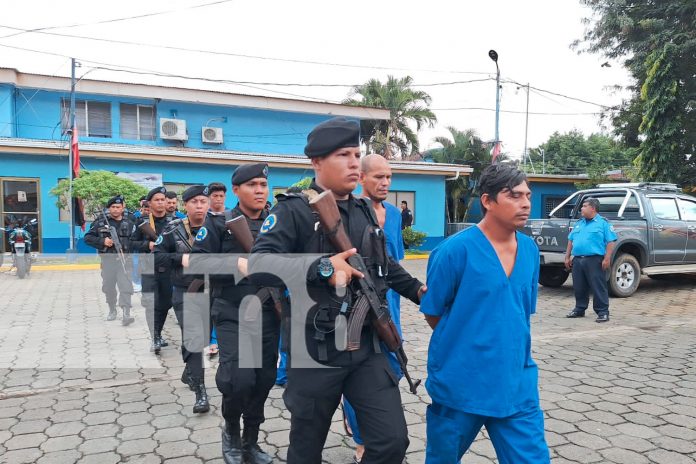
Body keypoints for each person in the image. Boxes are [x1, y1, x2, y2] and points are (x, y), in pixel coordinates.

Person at [250, 117, 426, 464]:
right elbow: (258, 265)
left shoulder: (363, 211)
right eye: (343, 154)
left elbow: (384, 266)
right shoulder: (294, 210)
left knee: (392, 441)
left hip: (366, 347)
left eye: (356, 154)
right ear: (317, 162)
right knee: (306, 448)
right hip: (314, 351)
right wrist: (323, 268)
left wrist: (421, 291)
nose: (353, 163)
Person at [420, 164, 550, 464]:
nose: (526, 203)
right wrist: (466, 340)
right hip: (461, 383)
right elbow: (433, 313)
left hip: (515, 383)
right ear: (488, 201)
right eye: (514, 195)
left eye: (527, 195)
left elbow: (519, 314)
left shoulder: (530, 251)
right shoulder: (454, 251)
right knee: (442, 458)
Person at [191, 163, 279, 464]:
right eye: (252, 185)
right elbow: (196, 264)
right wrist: (236, 265)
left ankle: (251, 441)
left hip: (269, 312)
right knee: (239, 380)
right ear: (237, 190)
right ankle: (231, 431)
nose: (259, 190)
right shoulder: (219, 223)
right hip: (232, 313)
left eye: (263, 185)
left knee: (264, 379)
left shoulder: (276, 222)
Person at [342, 153, 406, 463]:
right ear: (362, 179)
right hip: (356, 308)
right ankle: (362, 437)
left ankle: (383, 430)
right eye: (378, 177)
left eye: (389, 177)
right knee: (360, 373)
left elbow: (396, 261)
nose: (385, 182)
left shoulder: (393, 214)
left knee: (391, 368)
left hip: (389, 307)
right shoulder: (348, 213)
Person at [155, 185, 211, 414]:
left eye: (203, 201)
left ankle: (190, 371)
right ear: (185, 205)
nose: (199, 206)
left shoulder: (219, 226)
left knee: (205, 338)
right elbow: (158, 255)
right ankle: (200, 391)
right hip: (184, 291)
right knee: (194, 339)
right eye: (194, 202)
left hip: (214, 291)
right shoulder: (172, 228)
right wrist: (181, 259)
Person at [131, 186, 174, 354]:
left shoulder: (173, 222)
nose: (161, 202)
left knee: (164, 304)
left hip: (167, 269)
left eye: (163, 199)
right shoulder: (142, 222)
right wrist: (147, 244)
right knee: (151, 303)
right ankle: (154, 336)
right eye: (157, 200)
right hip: (148, 268)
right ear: (149, 203)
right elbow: (130, 244)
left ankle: (158, 333)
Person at [83, 195, 136, 325]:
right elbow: (87, 238)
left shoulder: (130, 223)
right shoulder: (100, 223)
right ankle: (112, 309)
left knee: (125, 286)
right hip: (108, 261)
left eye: (118, 207)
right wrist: (102, 241)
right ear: (109, 208)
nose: (115, 209)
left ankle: (126, 313)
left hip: (125, 260)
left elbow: (138, 241)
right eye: (113, 207)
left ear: (123, 208)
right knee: (108, 287)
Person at [565, 197, 617, 323]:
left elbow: (611, 241)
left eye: (584, 206)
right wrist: (567, 257)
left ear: (592, 208)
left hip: (595, 259)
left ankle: (603, 312)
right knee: (579, 286)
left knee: (598, 286)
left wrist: (607, 258)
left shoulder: (603, 223)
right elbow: (571, 240)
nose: (581, 208)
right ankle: (579, 309)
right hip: (578, 260)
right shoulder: (579, 223)